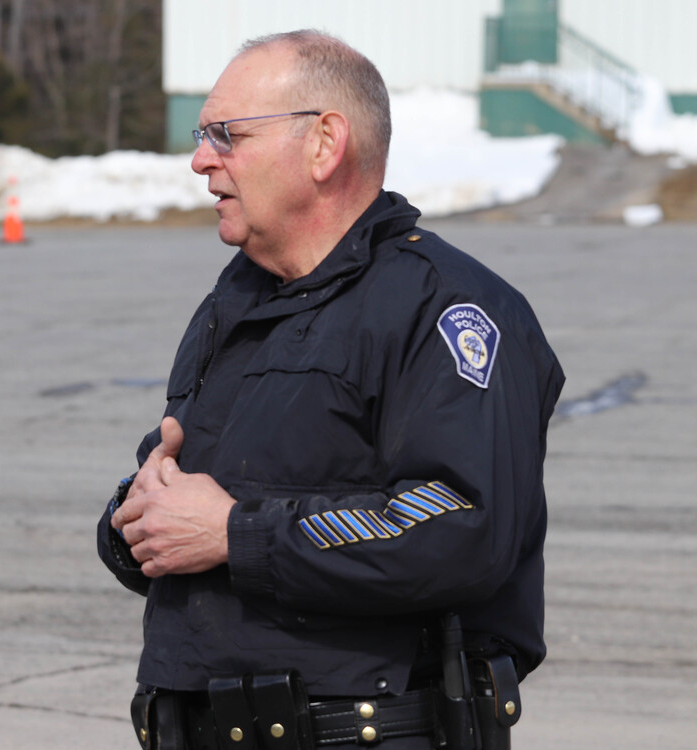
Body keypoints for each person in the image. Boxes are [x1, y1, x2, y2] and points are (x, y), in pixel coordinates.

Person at [97, 31, 564, 750]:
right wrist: (137, 520)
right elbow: (198, 499)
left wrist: (233, 534)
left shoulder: (445, 308)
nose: (200, 160)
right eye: (202, 134)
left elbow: (460, 524)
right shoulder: (239, 302)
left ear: (324, 144)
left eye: (227, 134)